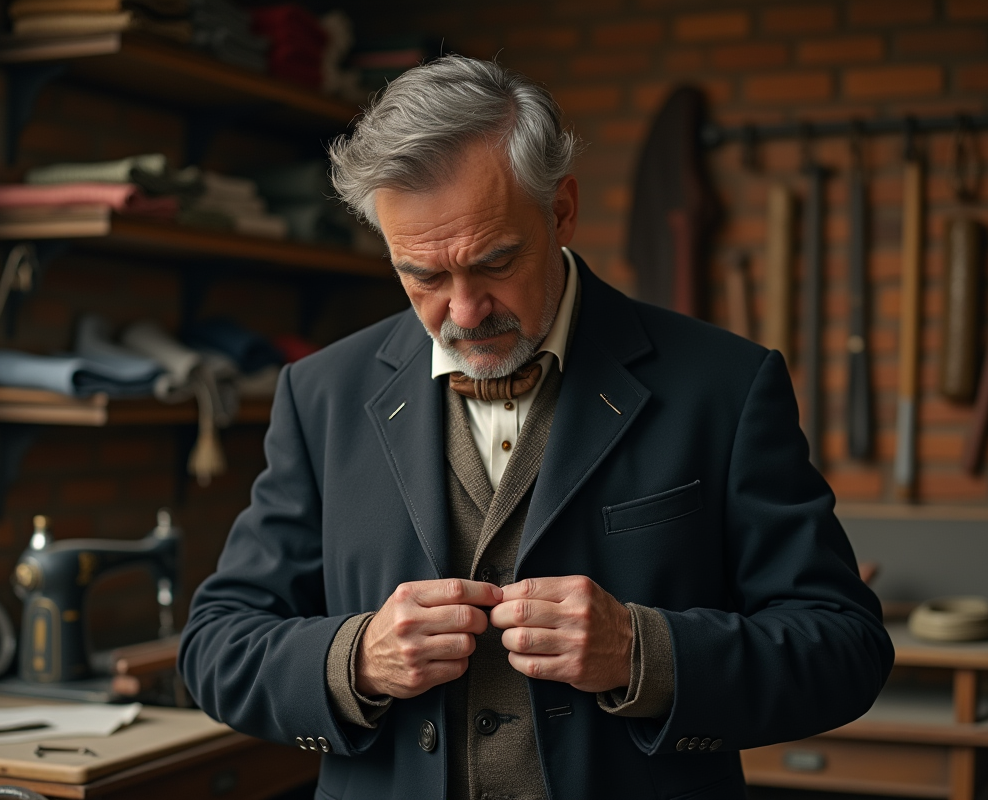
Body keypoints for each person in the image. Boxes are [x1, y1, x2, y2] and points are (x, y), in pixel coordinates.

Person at [179, 56, 894, 800]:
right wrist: (354, 659)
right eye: (421, 275)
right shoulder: (319, 393)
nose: (463, 312)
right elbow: (215, 647)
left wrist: (642, 652)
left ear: (560, 212)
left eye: (494, 261)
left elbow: (844, 649)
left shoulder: (726, 386)